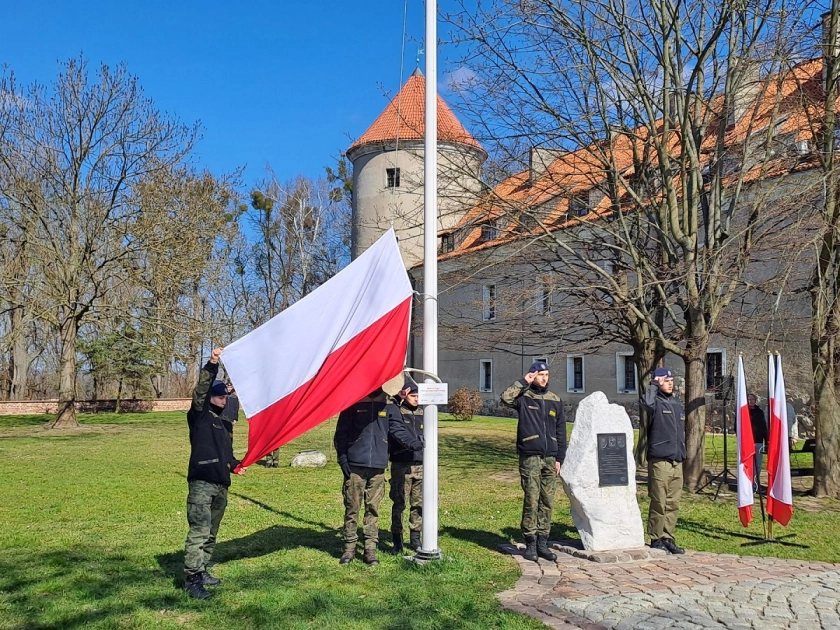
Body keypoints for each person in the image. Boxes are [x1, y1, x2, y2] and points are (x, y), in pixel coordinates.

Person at [183, 347, 245, 599]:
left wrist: (235, 464)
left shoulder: (224, 423)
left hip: (221, 483)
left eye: (225, 397)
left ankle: (203, 568)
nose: (224, 400)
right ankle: (192, 578)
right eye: (219, 397)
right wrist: (212, 363)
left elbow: (225, 454)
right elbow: (201, 389)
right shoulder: (199, 415)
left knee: (211, 532)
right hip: (202, 482)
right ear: (211, 397)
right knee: (199, 530)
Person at [500, 361, 566, 563]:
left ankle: (543, 542)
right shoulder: (524, 397)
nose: (544, 378)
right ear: (533, 376)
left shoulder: (555, 400)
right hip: (530, 456)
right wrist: (524, 381)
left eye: (546, 375)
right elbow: (505, 398)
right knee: (531, 498)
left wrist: (559, 458)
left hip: (550, 458)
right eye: (540, 375)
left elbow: (561, 431)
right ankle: (530, 541)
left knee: (547, 501)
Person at [334, 387, 390, 566]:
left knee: (373, 509)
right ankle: (349, 548)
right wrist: (343, 459)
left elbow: (395, 432)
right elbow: (341, 434)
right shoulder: (353, 402)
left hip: (378, 467)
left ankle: (370, 550)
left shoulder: (388, 403)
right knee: (352, 508)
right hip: (355, 466)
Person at [641, 367, 686, 554]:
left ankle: (668, 537)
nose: (670, 384)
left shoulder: (676, 404)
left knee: (673, 502)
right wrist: (653, 384)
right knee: (659, 501)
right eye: (666, 380)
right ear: (658, 381)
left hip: (677, 460)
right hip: (660, 461)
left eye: (671, 381)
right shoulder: (655, 402)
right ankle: (656, 537)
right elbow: (646, 403)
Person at [387, 381, 425, 555]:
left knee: (418, 504)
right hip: (401, 465)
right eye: (413, 396)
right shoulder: (397, 411)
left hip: (420, 464)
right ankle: (397, 539)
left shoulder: (424, 412)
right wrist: (398, 397)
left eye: (419, 396)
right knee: (399, 503)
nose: (416, 399)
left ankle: (415, 538)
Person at [747, 393, 767, 488]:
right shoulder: (743, 411)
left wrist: (766, 440)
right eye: (749, 399)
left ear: (755, 401)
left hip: (758, 441)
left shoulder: (760, 412)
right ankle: (747, 483)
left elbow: (763, 427)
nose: (750, 401)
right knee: (748, 463)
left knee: (757, 464)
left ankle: (755, 484)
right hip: (747, 442)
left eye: (752, 399)